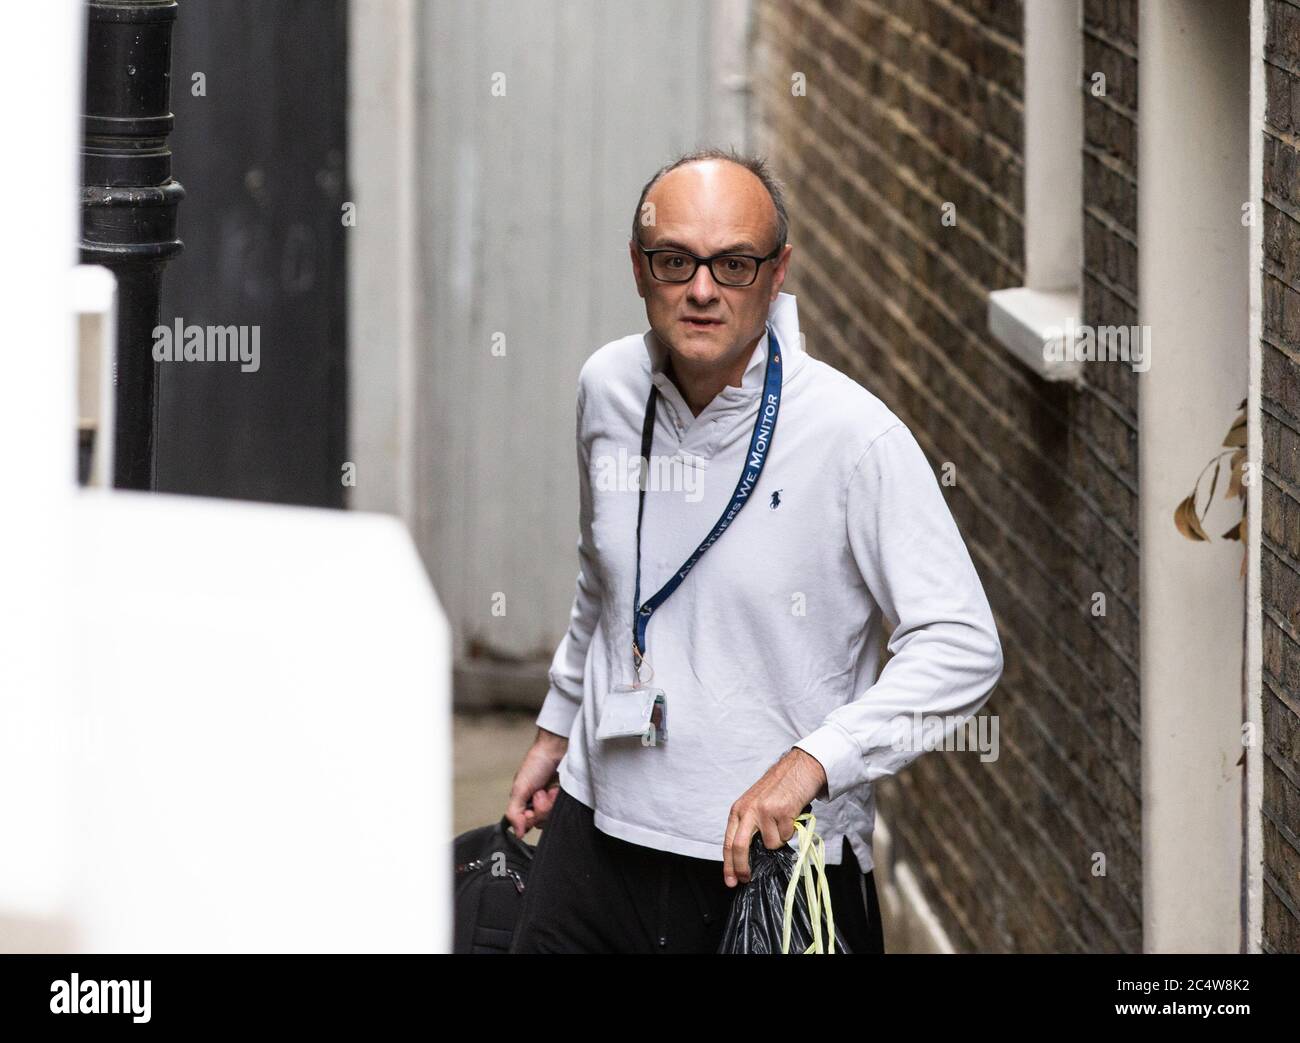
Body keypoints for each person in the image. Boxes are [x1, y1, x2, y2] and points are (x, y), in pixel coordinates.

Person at [505, 148, 1004, 954]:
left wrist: (816, 759)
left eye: (733, 264)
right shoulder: (607, 387)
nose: (703, 290)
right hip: (594, 839)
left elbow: (963, 645)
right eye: (677, 261)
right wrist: (557, 729)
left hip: (773, 870)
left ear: (777, 274)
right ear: (640, 268)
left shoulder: (854, 437)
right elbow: (602, 577)